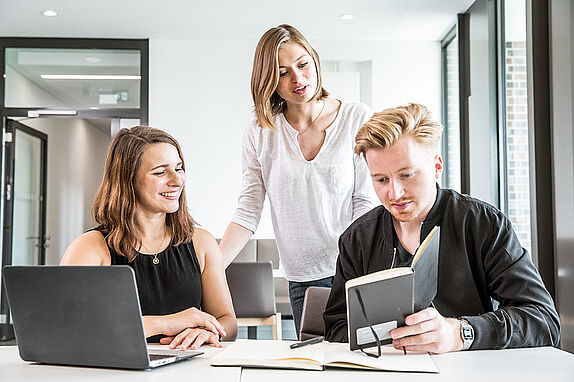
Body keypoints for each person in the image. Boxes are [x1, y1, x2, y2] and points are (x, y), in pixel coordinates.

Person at [323, 103, 560, 353]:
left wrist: (461, 333)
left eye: (407, 175)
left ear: (437, 167)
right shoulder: (357, 239)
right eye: (381, 180)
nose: (394, 193)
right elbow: (336, 327)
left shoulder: (484, 224)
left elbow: (543, 320)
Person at [219, 24, 377, 336]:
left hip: (356, 272)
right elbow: (248, 210)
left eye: (303, 64)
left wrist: (355, 266)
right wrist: (210, 269)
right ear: (268, 81)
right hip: (303, 279)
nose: (298, 79)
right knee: (314, 365)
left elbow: (366, 202)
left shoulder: (357, 117)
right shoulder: (260, 133)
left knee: (360, 364)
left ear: (315, 62)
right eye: (282, 72)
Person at [61, 126, 237, 350]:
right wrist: (167, 323)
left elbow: (227, 321)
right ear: (127, 179)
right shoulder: (88, 249)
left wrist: (206, 331)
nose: (177, 181)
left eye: (179, 168)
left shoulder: (201, 242)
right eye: (160, 172)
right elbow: (71, 330)